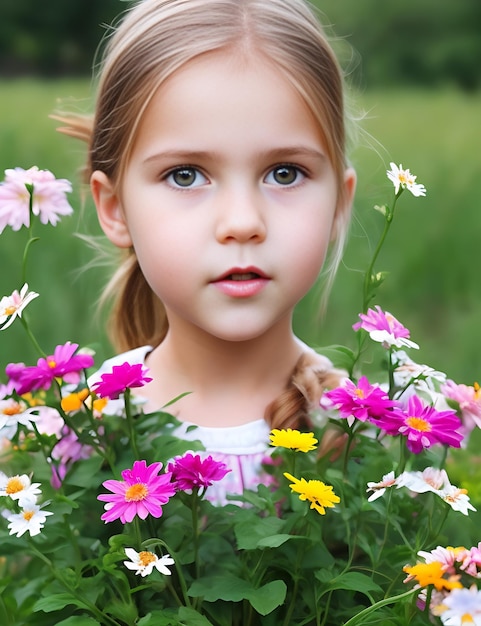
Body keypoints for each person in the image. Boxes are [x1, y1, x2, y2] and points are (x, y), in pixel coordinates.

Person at [55, 0, 356, 504]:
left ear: (339, 204)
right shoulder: (88, 428)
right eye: (185, 175)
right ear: (116, 208)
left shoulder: (364, 428)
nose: (242, 222)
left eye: (284, 172)